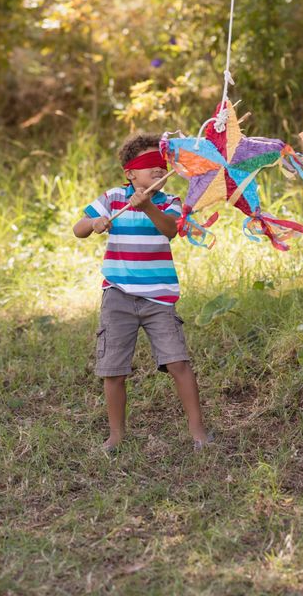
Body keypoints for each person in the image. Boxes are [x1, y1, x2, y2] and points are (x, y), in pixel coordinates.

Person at [73, 133, 210, 452]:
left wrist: (148, 206)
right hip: (118, 294)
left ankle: (198, 431)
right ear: (130, 173)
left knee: (178, 362)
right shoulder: (112, 198)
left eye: (162, 165)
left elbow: (171, 230)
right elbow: (78, 228)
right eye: (149, 165)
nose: (159, 170)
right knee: (113, 369)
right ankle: (117, 434)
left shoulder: (170, 203)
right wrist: (93, 225)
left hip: (159, 298)